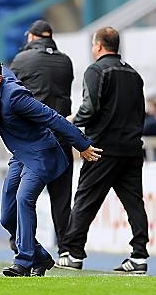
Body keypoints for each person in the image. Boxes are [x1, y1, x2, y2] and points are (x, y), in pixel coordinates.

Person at [0, 43, 102, 277]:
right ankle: (40, 258)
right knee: (6, 216)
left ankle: (24, 262)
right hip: (20, 157)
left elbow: (52, 117)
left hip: (41, 154)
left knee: (24, 199)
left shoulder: (16, 97)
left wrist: (81, 144)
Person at [57, 27, 150, 274]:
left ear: (98, 46)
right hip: (131, 148)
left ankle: (73, 252)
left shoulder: (96, 70)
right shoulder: (134, 74)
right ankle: (139, 256)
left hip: (102, 148)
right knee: (134, 204)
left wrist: (70, 122)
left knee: (86, 199)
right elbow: (141, 111)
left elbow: (91, 107)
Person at [9, 19, 75, 256]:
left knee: (22, 197)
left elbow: (8, 93)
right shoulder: (65, 61)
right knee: (62, 198)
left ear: (33, 37)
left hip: (33, 140)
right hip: (62, 137)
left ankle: (22, 245)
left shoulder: (22, 60)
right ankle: (66, 249)